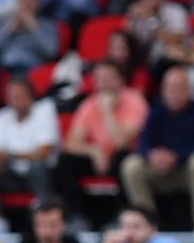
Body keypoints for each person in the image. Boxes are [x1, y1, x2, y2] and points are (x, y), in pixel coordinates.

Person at [120, 66, 194, 219]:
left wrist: (176, 156)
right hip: (160, 169)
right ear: (163, 90)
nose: (174, 93)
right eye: (170, 88)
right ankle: (146, 222)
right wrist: (152, 155)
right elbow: (143, 142)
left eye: (179, 88)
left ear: (189, 90)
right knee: (131, 165)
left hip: (187, 170)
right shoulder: (155, 111)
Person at [56, 60, 147, 218]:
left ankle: (123, 215)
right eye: (99, 79)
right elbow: (70, 143)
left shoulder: (135, 101)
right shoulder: (89, 104)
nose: (103, 84)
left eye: (108, 78)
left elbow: (121, 142)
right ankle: (76, 216)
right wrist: (93, 150)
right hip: (99, 158)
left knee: (122, 158)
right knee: (65, 161)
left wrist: (107, 112)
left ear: (121, 80)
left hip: (127, 158)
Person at [0, 76, 59, 232]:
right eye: (12, 96)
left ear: (31, 95)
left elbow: (44, 152)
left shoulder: (44, 110)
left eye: (20, 95)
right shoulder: (3, 116)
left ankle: (41, 215)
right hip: (11, 174)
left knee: (37, 166)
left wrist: (9, 156)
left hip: (41, 175)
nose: (16, 100)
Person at [0, 0, 58, 73]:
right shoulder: (6, 23)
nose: (24, 6)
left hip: (29, 67)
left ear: (37, 3)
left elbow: (51, 51)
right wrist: (9, 30)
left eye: (28, 2)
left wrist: (33, 26)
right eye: (21, 2)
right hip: (4, 66)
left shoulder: (47, 24)